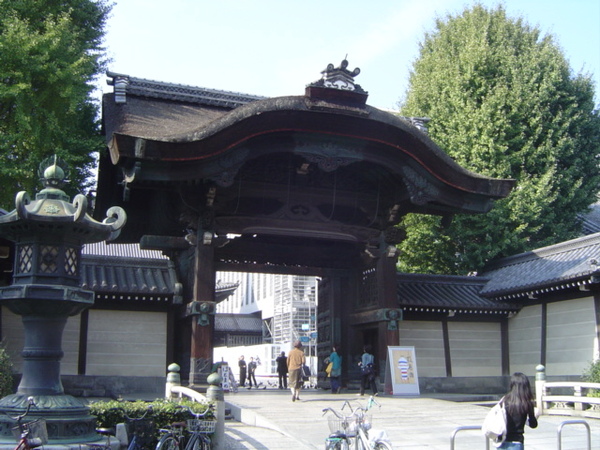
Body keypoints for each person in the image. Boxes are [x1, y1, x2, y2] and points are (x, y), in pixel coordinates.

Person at [497, 372, 538, 449]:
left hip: (501, 441)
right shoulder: (527, 403)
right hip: (517, 442)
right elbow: (533, 425)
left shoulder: (504, 400)